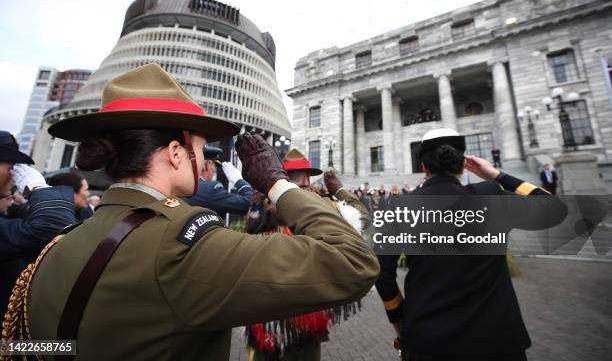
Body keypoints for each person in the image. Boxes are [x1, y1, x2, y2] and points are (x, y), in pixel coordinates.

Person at [13, 64, 379, 360]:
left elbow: (29, 346)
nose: (204, 160)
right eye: (201, 148)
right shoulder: (181, 244)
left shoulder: (60, 243)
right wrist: (277, 184)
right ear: (176, 153)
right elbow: (352, 262)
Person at [375, 128, 565, 361]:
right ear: (463, 164)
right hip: (498, 342)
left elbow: (382, 273)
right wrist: (497, 175)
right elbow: (554, 209)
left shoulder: (397, 207)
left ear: (423, 166)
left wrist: (399, 320)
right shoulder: (491, 195)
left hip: (428, 340)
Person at [244, 151, 370, 360]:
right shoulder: (319, 204)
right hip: (305, 312)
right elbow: (362, 218)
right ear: (307, 178)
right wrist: (338, 189)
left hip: (265, 312)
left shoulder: (259, 204)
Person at [0, 131, 75, 315]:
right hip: (8, 344)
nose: (15, 174)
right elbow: (55, 228)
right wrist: (38, 188)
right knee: (70, 346)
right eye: (12, 166)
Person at [183, 145, 254, 216]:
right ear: (207, 165)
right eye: (214, 166)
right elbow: (247, 204)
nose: (214, 170)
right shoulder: (210, 190)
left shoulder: (180, 186)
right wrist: (239, 181)